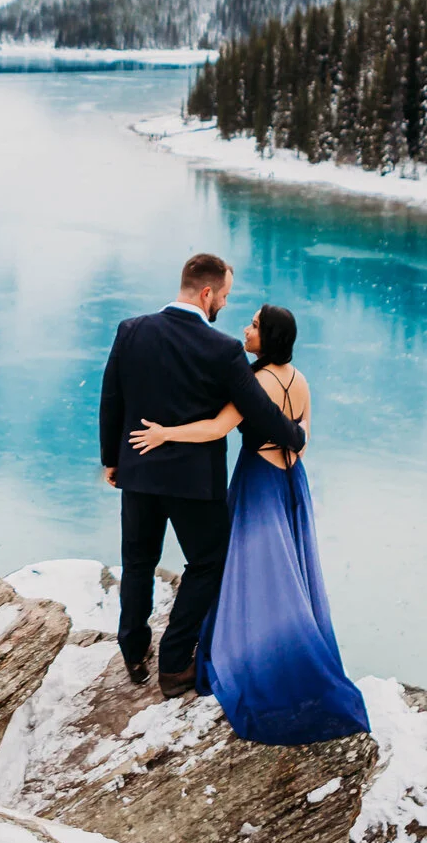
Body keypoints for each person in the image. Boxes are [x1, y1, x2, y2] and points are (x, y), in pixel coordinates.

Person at [129, 303, 369, 744]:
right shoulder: (300, 380)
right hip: (291, 480)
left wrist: (166, 433)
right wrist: (287, 447)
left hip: (258, 480)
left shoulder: (257, 380)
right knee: (285, 570)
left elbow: (217, 428)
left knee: (246, 566)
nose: (247, 328)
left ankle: (248, 648)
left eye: (255, 325)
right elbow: (304, 437)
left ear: (270, 336)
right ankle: (281, 640)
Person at [99, 253, 307, 697]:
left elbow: (111, 397)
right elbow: (259, 410)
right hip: (194, 484)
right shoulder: (222, 349)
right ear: (208, 292)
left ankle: (134, 652)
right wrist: (295, 434)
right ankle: (174, 665)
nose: (226, 306)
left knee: (138, 563)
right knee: (208, 563)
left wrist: (112, 459)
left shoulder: (131, 330)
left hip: (138, 471)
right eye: (226, 296)